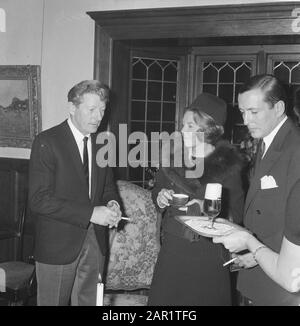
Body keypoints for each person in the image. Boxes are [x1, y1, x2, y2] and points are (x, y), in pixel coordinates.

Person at [29, 80, 122, 306]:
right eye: (91, 109)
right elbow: (39, 200)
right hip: (57, 245)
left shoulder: (102, 144)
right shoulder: (47, 141)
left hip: (96, 242)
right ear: (72, 107)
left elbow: (108, 187)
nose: (98, 116)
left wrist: (113, 204)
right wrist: (91, 213)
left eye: (102, 110)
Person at [147, 93, 245, 306]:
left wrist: (208, 209)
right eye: (183, 125)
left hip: (207, 253)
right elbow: (157, 191)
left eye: (190, 126)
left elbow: (236, 214)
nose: (182, 131)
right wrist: (161, 197)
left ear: (208, 129)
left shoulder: (227, 166)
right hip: (173, 248)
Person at [213, 74, 300, 305]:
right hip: (261, 270)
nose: (246, 120)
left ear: (279, 107)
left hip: (281, 289)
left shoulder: (296, 149)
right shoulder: (267, 140)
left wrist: (251, 245)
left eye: (254, 112)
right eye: (242, 112)